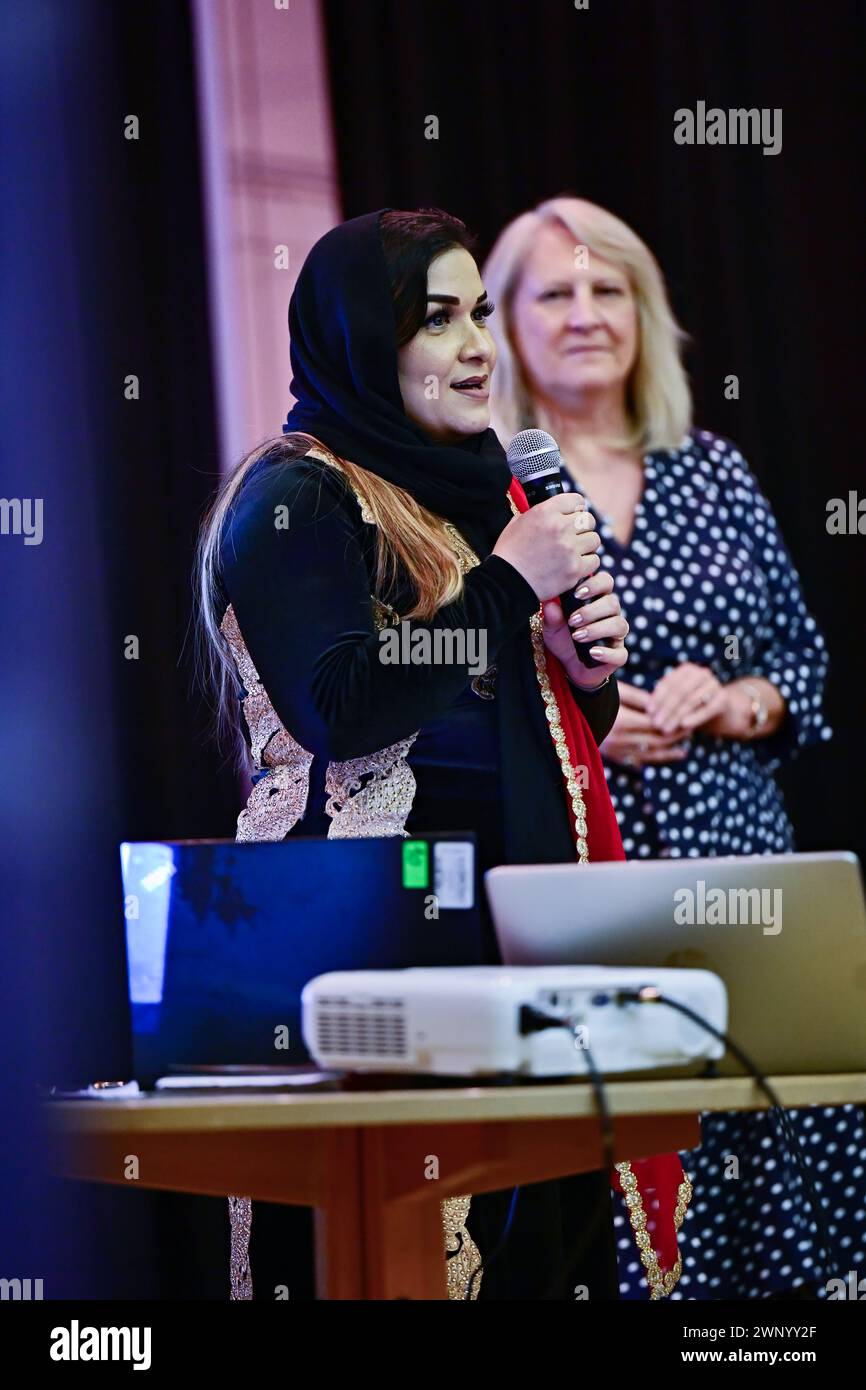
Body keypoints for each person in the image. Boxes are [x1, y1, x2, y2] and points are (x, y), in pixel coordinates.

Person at [194, 207, 691, 1301]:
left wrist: (583, 670)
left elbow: (540, 733)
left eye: (477, 314)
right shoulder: (298, 493)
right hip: (365, 942)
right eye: (435, 320)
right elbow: (337, 704)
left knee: (536, 1260)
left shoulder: (481, 492)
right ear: (365, 340)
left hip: (516, 939)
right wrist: (511, 584)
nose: (476, 346)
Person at [483, 195, 866, 1299]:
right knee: (630, 1156)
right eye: (554, 292)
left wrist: (733, 701)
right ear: (503, 324)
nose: (585, 313)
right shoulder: (481, 494)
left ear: (644, 315)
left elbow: (799, 665)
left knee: (777, 1144)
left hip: (739, 863)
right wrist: (592, 718)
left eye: (609, 290)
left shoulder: (714, 470)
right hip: (590, 871)